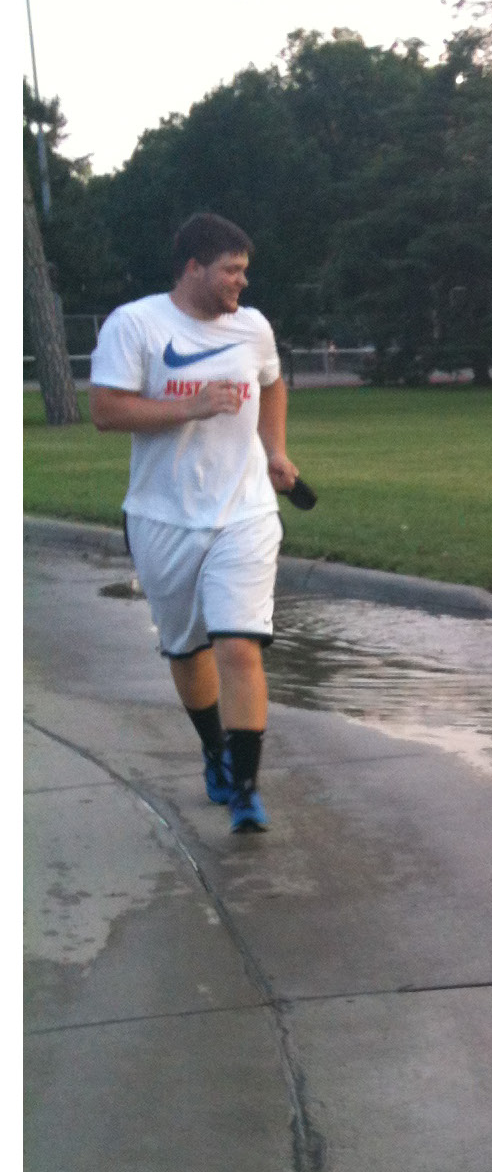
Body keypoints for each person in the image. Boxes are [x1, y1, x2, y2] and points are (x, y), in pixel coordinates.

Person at [89, 212, 300, 832]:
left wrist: (276, 450)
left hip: (245, 511)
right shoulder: (137, 324)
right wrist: (192, 405)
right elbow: (105, 411)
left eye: (244, 271)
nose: (241, 283)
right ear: (193, 268)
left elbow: (274, 383)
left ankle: (246, 790)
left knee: (238, 643)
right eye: (231, 270)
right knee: (187, 649)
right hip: (163, 517)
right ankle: (214, 751)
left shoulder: (253, 327)